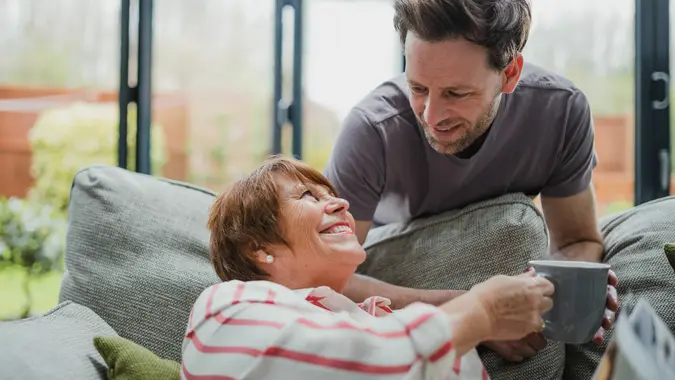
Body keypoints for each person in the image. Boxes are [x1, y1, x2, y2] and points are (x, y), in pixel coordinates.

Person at [322, 0, 619, 362]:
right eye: (417, 87)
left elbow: (577, 240)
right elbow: (322, 275)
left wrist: (568, 296)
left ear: (510, 74)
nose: (431, 115)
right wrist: (476, 312)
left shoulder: (561, 111)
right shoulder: (372, 130)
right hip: (391, 292)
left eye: (456, 93)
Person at [181, 157, 555, 380]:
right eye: (308, 196)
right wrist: (481, 312)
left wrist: (550, 304)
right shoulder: (226, 307)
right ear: (258, 248)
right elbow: (357, 362)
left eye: (332, 193)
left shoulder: (369, 319)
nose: (341, 203)